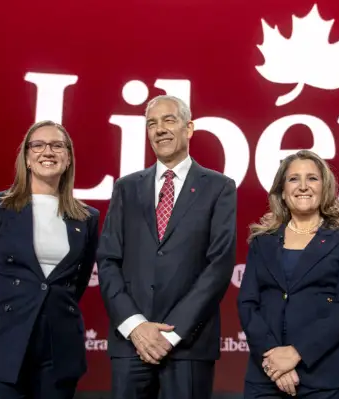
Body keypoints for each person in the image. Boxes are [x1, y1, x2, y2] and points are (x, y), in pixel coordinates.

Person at [97, 94, 237, 398]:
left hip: (188, 344)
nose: (159, 129)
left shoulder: (219, 188)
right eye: (151, 124)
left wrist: (171, 334)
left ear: (189, 128)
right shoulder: (126, 188)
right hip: (130, 342)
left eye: (168, 120)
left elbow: (220, 265)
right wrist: (136, 326)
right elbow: (107, 261)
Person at [0, 120, 100, 398]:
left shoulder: (87, 218)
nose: (47, 151)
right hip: (1, 344)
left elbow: (78, 283)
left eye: (57, 145)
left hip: (59, 349)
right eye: (38, 145)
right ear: (26, 157)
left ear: (68, 157)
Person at [238, 150, 339, 398]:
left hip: (329, 378)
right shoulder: (261, 241)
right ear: (282, 191)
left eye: (313, 178)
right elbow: (247, 303)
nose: (303, 186)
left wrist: (297, 353)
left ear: (325, 187)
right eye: (294, 179)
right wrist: (275, 361)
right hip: (267, 373)